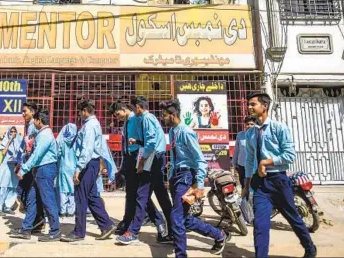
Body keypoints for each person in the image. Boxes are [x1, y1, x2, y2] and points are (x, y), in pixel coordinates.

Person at [243, 92, 317, 258]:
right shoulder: (250, 133)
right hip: (260, 183)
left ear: (265, 106)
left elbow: (289, 155)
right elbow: (248, 160)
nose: (249, 107)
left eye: (253, 104)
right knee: (260, 225)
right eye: (248, 104)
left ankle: (309, 247)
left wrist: (265, 162)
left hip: (279, 181)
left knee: (293, 218)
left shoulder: (279, 128)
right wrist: (246, 185)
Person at [160, 99, 230, 257]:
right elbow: (173, 157)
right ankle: (218, 235)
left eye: (165, 116)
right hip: (176, 177)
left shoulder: (186, 132)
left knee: (176, 217)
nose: (163, 118)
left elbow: (200, 160)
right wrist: (170, 177)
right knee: (183, 218)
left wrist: (199, 185)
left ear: (173, 115)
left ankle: (181, 254)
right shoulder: (172, 131)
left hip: (186, 176)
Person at [116, 96, 173, 244]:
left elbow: (151, 143)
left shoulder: (145, 119)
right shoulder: (147, 119)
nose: (134, 111)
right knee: (160, 195)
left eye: (134, 108)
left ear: (138, 107)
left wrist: (141, 161)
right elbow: (149, 140)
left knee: (142, 195)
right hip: (154, 157)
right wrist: (138, 142)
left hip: (152, 158)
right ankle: (170, 228)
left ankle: (133, 231)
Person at [61, 98, 116, 242]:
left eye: (80, 112)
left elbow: (87, 149)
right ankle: (106, 225)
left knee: (80, 196)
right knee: (92, 196)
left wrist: (78, 169)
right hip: (92, 164)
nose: (79, 115)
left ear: (85, 111)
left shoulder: (90, 126)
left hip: (88, 164)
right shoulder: (93, 124)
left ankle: (79, 231)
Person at [12, 110, 61, 242]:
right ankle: (26, 228)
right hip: (40, 171)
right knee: (31, 199)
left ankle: (55, 231)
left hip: (45, 170)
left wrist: (24, 169)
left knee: (48, 200)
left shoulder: (45, 135)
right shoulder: (42, 134)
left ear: (39, 120)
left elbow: (37, 155)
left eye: (35, 120)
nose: (33, 122)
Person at [13, 102, 45, 234]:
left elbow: (32, 150)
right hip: (26, 164)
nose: (23, 114)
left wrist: (25, 166)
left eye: (25, 111)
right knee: (24, 193)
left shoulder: (34, 127)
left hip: (30, 167)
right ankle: (38, 221)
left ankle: (30, 224)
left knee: (28, 195)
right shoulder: (28, 126)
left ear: (32, 112)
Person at [0, 126, 22, 216]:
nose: (13, 133)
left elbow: (21, 153)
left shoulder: (19, 142)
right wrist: (10, 140)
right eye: (11, 132)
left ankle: (7, 206)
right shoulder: (5, 141)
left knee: (12, 187)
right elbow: (3, 152)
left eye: (14, 131)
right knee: (3, 186)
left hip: (14, 166)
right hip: (6, 166)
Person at [55, 123, 78, 218]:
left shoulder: (63, 141)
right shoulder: (77, 141)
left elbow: (58, 153)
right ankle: (71, 210)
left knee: (63, 189)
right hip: (74, 167)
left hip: (64, 167)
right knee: (72, 189)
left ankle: (63, 210)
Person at [232, 116, 256, 189]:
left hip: (254, 166)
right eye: (247, 124)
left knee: (254, 186)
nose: (249, 126)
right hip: (242, 166)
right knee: (244, 186)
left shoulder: (257, 135)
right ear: (244, 125)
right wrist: (234, 163)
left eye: (252, 124)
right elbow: (236, 150)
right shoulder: (240, 135)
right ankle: (245, 200)